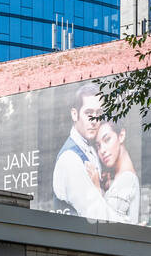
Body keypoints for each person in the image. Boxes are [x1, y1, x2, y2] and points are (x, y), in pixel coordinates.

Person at [52, 83, 125, 222]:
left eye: (98, 114)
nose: (94, 120)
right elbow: (96, 216)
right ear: (75, 114)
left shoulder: (91, 150)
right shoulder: (70, 159)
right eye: (88, 113)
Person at [94, 117, 140, 224]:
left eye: (107, 139)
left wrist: (96, 188)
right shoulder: (116, 178)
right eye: (98, 146)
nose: (102, 150)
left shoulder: (128, 178)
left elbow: (105, 223)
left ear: (121, 136)